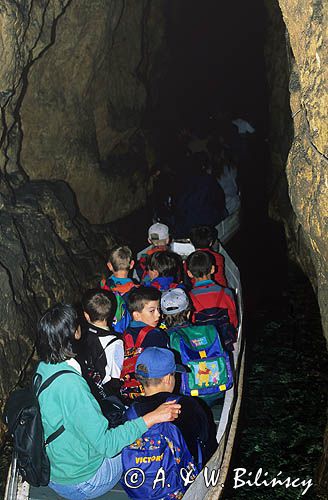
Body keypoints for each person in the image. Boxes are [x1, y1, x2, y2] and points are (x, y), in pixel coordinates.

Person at [36, 303, 181, 500]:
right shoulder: (72, 385)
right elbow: (108, 445)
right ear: (75, 334)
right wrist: (152, 417)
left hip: (57, 466)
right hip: (82, 482)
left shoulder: (44, 368)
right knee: (138, 446)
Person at [133, 347, 217, 465]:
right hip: (186, 473)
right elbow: (208, 442)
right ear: (167, 378)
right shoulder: (188, 405)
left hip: (143, 476)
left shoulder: (131, 411)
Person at [161, 288, 234, 405]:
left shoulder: (166, 337)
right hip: (219, 390)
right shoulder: (210, 329)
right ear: (189, 313)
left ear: (163, 316)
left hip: (189, 396)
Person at [120, 286, 168, 400]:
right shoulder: (157, 335)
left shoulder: (124, 335)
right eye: (152, 311)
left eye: (158, 309)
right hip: (153, 391)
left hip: (129, 392)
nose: (158, 315)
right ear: (136, 315)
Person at [78, 288, 124, 398]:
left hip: (87, 388)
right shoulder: (116, 342)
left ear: (86, 315)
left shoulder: (80, 335)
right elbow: (116, 375)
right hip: (105, 393)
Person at [186, 250, 238, 330]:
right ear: (213, 269)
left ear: (189, 274)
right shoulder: (227, 293)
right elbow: (234, 321)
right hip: (225, 339)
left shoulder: (188, 297)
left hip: (202, 340)